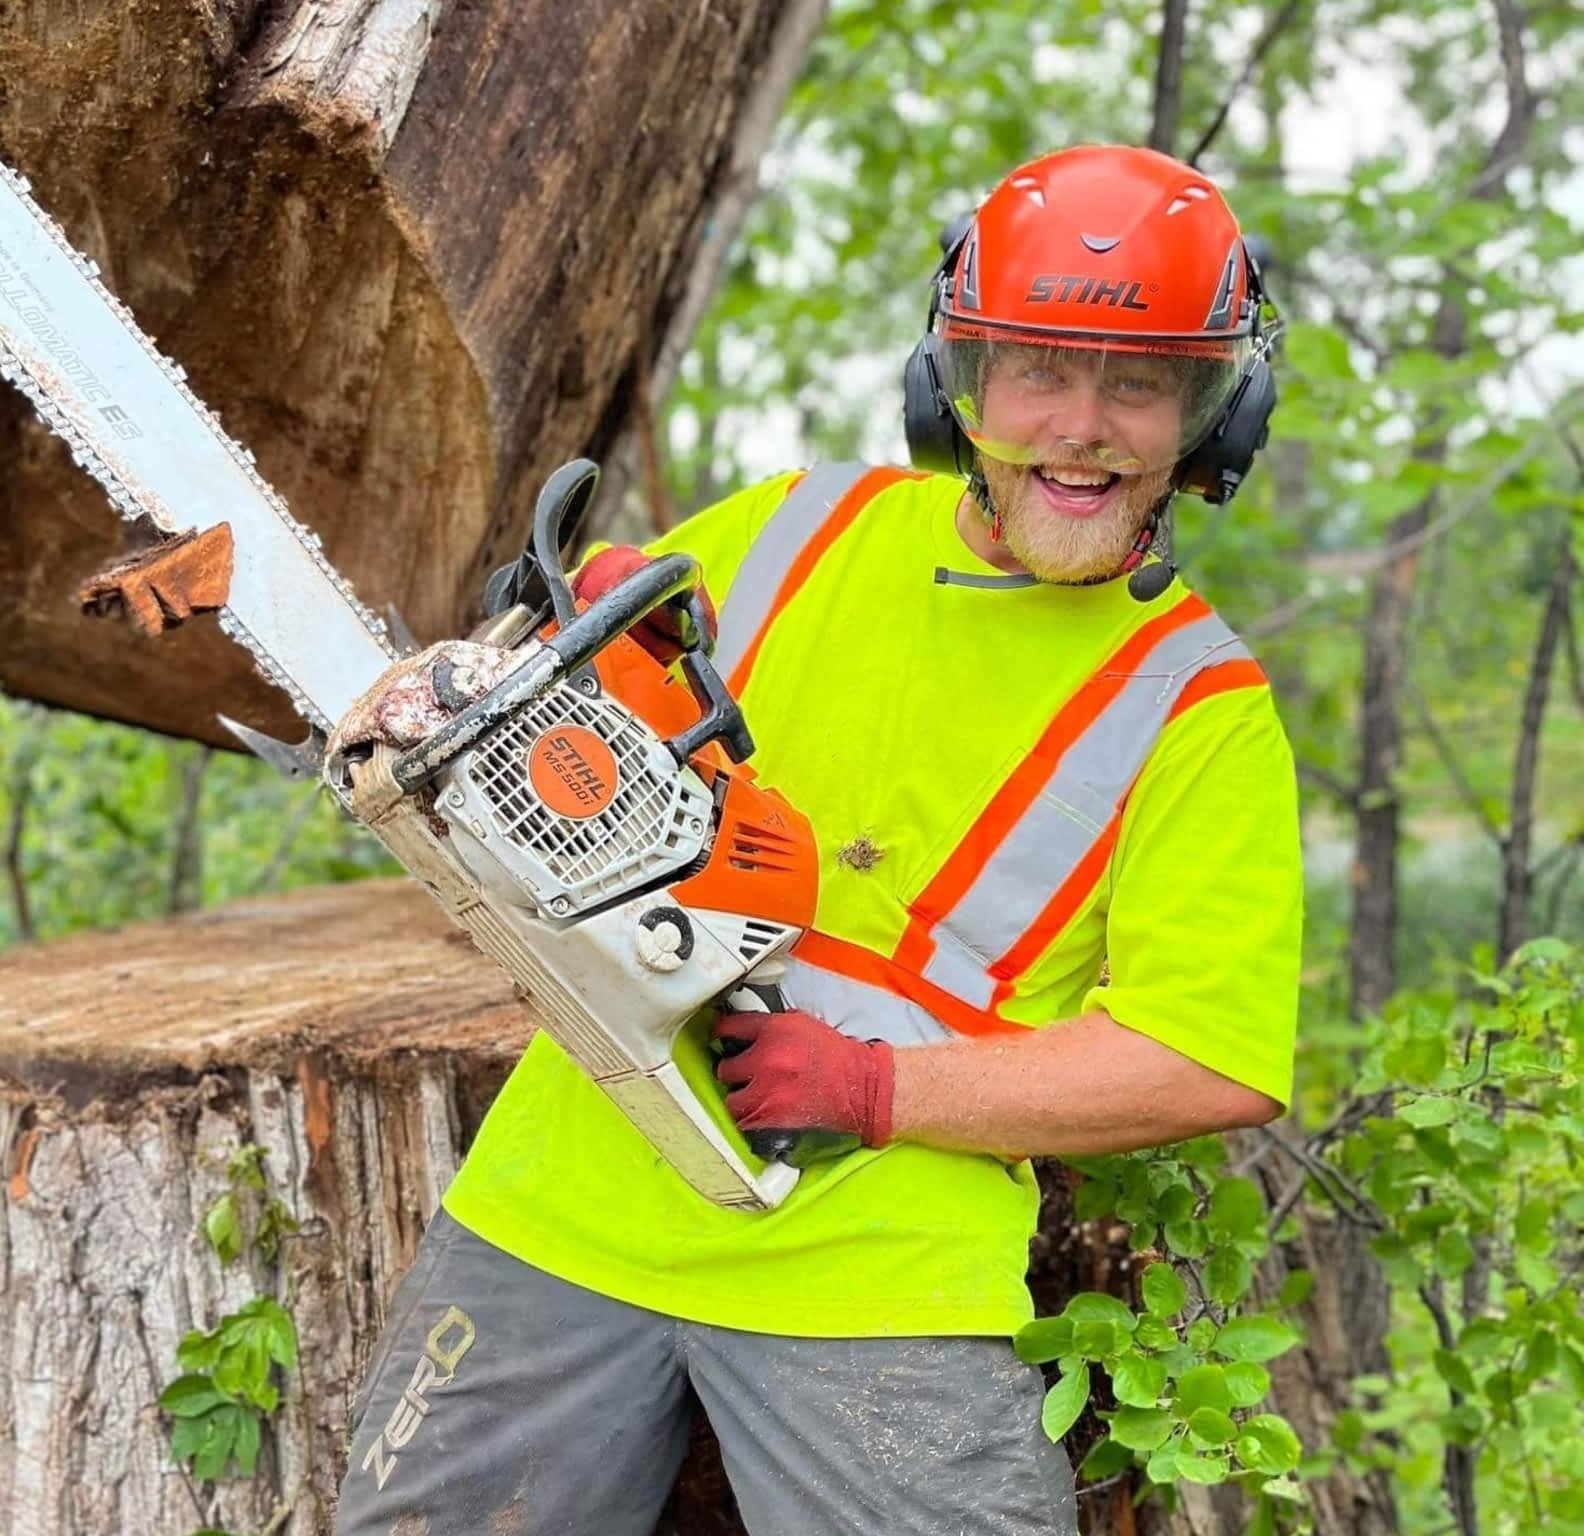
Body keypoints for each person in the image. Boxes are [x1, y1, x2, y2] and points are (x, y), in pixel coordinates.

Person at [330, 144, 1301, 1536]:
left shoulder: (1201, 708)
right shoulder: (799, 526)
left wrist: (869, 1090)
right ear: (960, 381)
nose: (1080, 428)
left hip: (882, 1276)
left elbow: (1202, 1058)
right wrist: (474, 702)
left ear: (1215, 409)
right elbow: (560, 720)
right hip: (564, 1207)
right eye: (1038, 370)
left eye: (1137, 383)